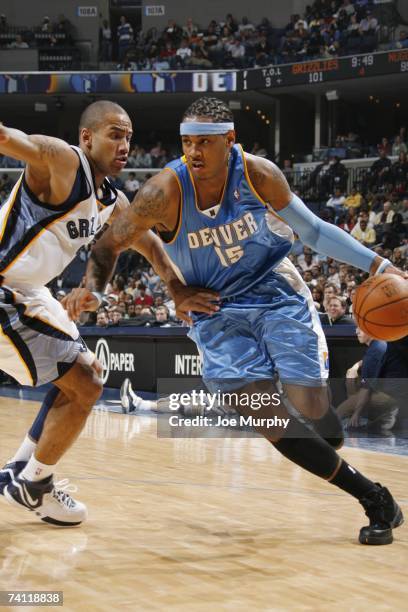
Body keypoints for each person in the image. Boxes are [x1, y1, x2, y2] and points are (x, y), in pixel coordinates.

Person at [64, 96, 406, 545]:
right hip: (214, 310)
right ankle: (374, 497)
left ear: (230, 140)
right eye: (187, 143)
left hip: (275, 292)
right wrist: (170, 287)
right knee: (270, 419)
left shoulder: (259, 174)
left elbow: (315, 232)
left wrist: (380, 266)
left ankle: (324, 430)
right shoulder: (162, 192)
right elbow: (109, 245)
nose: (194, 153)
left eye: (205, 143)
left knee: (312, 410)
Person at [0, 100, 205, 526]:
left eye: (129, 136)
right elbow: (9, 139)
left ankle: (21, 473)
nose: (125, 143)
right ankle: (33, 483)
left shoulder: (109, 197)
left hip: (29, 291)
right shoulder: (61, 161)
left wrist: (175, 288)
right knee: (87, 382)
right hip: (4, 290)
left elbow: (142, 239)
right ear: (87, 137)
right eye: (115, 133)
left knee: (85, 371)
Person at [337, 328, 404, 433]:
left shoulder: (374, 351)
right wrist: (356, 366)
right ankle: (369, 415)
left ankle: (384, 413)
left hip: (392, 397)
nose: (356, 332)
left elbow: (366, 388)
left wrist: (356, 414)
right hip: (394, 392)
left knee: (340, 413)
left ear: (371, 331)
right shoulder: (380, 344)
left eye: (361, 329)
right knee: (351, 376)